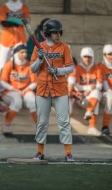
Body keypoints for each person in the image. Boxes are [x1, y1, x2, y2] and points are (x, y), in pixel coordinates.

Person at [30, 19, 74, 162]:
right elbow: (33, 68)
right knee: (42, 122)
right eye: (55, 32)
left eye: (58, 32)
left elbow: (70, 68)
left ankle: (68, 153)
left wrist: (57, 70)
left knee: (64, 121)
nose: (58, 35)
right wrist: (40, 59)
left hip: (60, 88)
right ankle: (39, 152)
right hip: (43, 88)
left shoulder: (65, 47)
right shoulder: (39, 47)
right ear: (48, 33)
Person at [0, 0, 30, 101]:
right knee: (2, 65)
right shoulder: (4, 7)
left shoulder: (24, 7)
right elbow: (3, 23)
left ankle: (19, 89)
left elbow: (27, 21)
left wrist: (11, 19)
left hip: (20, 40)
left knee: (20, 64)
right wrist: (18, 21)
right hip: (6, 40)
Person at [0, 43, 37, 133]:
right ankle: (6, 126)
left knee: (33, 102)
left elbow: (35, 82)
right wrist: (15, 90)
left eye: (26, 52)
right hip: (10, 91)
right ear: (16, 53)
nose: (25, 54)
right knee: (17, 101)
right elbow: (2, 82)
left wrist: (25, 90)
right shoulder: (9, 65)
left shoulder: (29, 65)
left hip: (25, 91)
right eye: (22, 52)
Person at [68, 47, 102, 136]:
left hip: (90, 96)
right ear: (82, 57)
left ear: (93, 57)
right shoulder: (77, 68)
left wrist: (89, 90)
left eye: (89, 57)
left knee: (97, 94)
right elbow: (75, 85)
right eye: (85, 56)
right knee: (95, 100)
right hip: (79, 97)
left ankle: (91, 123)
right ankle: (90, 126)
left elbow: (100, 85)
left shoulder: (97, 68)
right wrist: (88, 88)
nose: (87, 59)